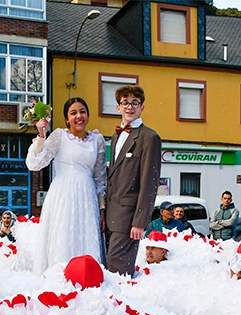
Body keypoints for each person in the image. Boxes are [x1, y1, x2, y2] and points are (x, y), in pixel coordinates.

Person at [26, 96, 107, 273]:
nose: (79, 116)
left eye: (82, 111)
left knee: (85, 239)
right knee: (62, 237)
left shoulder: (97, 140)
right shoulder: (59, 136)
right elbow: (34, 163)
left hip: (87, 197)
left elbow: (100, 178)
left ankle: (86, 281)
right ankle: (58, 281)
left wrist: (102, 209)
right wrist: (41, 135)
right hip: (62, 196)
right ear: (66, 119)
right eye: (73, 113)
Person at [104, 85, 162, 275]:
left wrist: (139, 221)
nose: (130, 107)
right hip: (111, 215)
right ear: (118, 107)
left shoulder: (149, 137)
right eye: (125, 102)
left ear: (142, 107)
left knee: (117, 269)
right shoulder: (115, 136)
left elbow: (149, 183)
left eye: (135, 103)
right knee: (110, 266)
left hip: (129, 218)